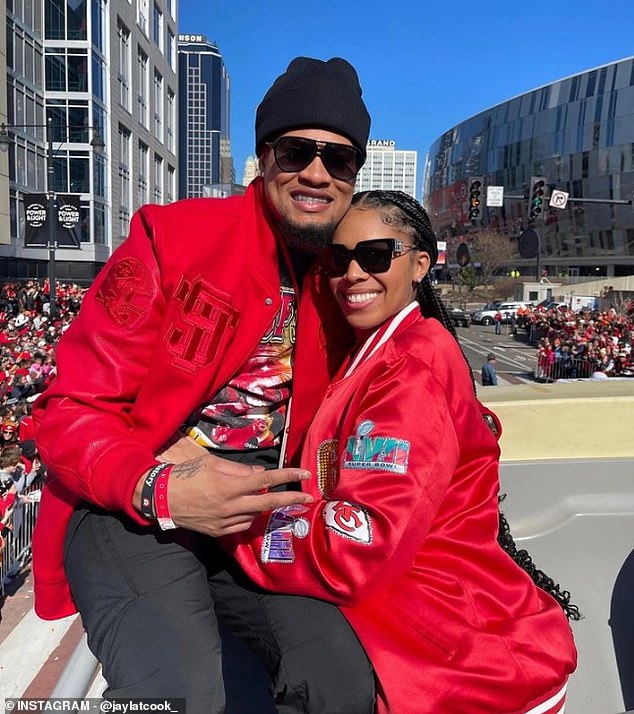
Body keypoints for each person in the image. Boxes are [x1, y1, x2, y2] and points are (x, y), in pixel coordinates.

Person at [32, 57, 375, 714]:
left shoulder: (353, 274)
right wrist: (159, 486)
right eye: (298, 150)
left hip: (262, 521)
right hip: (130, 506)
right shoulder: (173, 238)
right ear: (264, 155)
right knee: (177, 695)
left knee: (347, 682)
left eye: (340, 161)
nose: (317, 173)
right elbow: (68, 410)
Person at [226, 191, 578, 714]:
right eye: (339, 258)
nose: (353, 274)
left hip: (462, 667)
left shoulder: (411, 369)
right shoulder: (386, 350)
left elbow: (358, 543)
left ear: (418, 265)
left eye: (374, 255)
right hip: (449, 637)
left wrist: (233, 522)